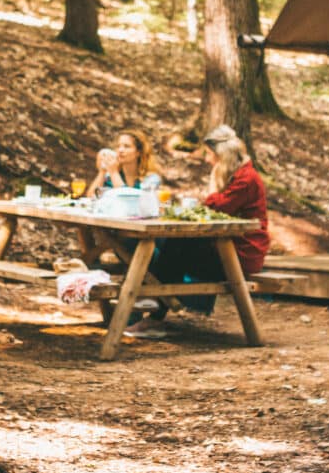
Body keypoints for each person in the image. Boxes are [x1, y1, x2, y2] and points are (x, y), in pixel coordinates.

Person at [126, 125, 269, 338]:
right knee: (169, 244)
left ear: (223, 156)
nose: (208, 160)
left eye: (211, 155)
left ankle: (155, 309)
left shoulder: (246, 179)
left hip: (240, 255)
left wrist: (213, 180)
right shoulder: (238, 175)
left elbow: (215, 207)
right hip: (227, 249)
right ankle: (155, 303)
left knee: (175, 244)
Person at [82, 129, 157, 196]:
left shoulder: (151, 179)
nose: (120, 150)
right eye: (118, 146)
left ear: (138, 152)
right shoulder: (110, 176)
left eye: (126, 146)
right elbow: (91, 197)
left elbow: (127, 200)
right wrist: (102, 172)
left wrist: (114, 173)